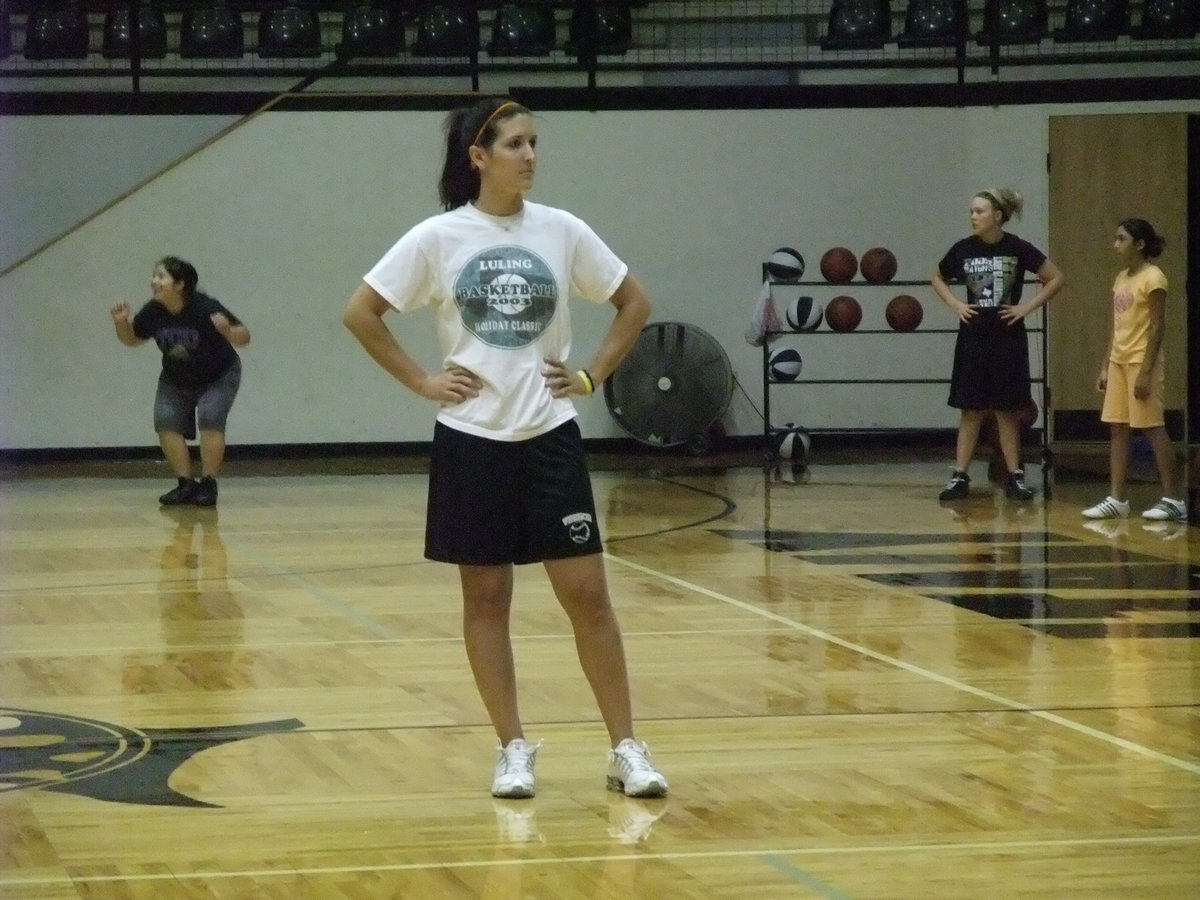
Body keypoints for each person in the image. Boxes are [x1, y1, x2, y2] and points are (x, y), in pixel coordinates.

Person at [341, 97, 668, 800]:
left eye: (534, 143)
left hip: (550, 437)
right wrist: (423, 381)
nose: (530, 156)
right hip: (471, 443)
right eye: (515, 144)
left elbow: (634, 303)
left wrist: (589, 375)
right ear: (478, 157)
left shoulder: (563, 230)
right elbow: (360, 312)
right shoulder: (438, 237)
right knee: (486, 600)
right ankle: (513, 747)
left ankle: (626, 749)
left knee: (589, 597)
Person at [931, 187, 1066, 502]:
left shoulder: (1017, 248)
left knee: (1007, 411)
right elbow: (937, 277)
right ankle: (959, 476)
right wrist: (955, 305)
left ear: (998, 216)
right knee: (971, 410)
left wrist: (1025, 308)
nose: (973, 216)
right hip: (974, 337)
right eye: (971, 211)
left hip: (1008, 337)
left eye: (979, 211)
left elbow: (1057, 277)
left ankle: (1015, 477)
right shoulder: (963, 249)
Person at [109, 257, 250, 507]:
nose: (154, 281)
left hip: (218, 375)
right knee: (165, 423)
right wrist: (121, 322)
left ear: (179, 284)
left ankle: (208, 484)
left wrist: (227, 331)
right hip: (175, 377)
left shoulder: (205, 307)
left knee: (210, 420)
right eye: (154, 275)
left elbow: (244, 337)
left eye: (161, 276)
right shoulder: (153, 311)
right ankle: (185, 484)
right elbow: (132, 339)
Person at [1082, 218, 1186, 523]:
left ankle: (1174, 499)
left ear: (1139, 244)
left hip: (1142, 361)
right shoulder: (1120, 278)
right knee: (1117, 427)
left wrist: (1145, 371)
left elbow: (1157, 328)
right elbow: (1116, 327)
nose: (1115, 245)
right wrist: (1105, 366)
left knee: (1152, 426)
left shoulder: (1154, 278)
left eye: (1121, 239)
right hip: (1119, 361)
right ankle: (1117, 498)